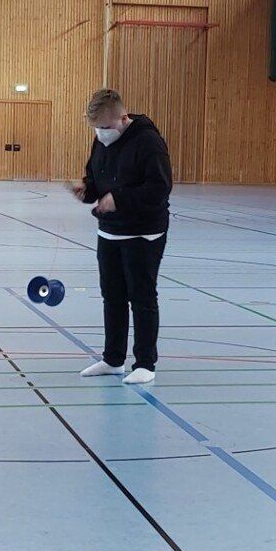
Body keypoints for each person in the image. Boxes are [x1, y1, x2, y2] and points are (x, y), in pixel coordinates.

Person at [69, 88, 172, 387]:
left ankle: (145, 363)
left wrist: (120, 199)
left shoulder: (148, 142)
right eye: (96, 128)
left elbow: (159, 188)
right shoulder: (101, 141)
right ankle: (113, 359)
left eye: (105, 127)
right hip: (109, 231)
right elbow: (96, 178)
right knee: (112, 296)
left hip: (143, 232)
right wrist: (87, 190)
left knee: (141, 296)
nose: (101, 133)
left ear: (123, 118)